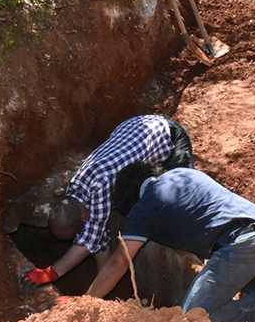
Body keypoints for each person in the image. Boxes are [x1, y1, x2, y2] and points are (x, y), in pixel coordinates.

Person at [84, 163, 255, 322]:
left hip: (244, 243)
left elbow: (118, 262)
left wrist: (85, 302)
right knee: (235, 266)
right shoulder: (182, 173)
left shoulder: (146, 207)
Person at [21, 115, 194, 292]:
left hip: (165, 135)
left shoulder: (102, 186)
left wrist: (51, 273)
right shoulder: (75, 190)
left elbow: (88, 242)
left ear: (82, 215)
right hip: (134, 130)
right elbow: (96, 236)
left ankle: (197, 247)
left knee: (180, 200)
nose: (80, 236)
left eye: (79, 232)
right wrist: (102, 285)